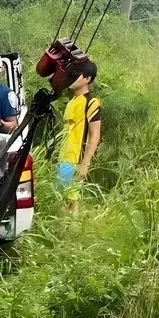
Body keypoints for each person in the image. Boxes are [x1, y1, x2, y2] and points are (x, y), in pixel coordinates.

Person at [57, 59, 102, 214]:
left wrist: (85, 164)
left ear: (87, 79)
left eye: (75, 75)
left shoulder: (91, 102)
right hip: (63, 157)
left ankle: (72, 231)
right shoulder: (71, 103)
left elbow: (95, 134)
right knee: (63, 200)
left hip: (75, 159)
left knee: (70, 200)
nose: (71, 78)